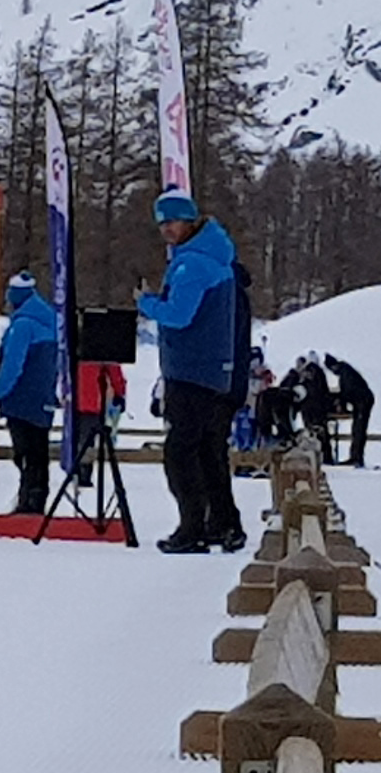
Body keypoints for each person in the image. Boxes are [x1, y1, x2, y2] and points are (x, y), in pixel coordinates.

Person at [136, 191, 249, 554]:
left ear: (188, 221)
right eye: (161, 223)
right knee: (208, 451)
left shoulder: (191, 265)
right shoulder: (215, 258)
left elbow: (179, 315)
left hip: (190, 370)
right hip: (214, 371)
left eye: (171, 221)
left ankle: (192, 528)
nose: (166, 229)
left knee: (181, 452)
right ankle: (223, 523)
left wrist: (147, 303)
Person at [0, 270, 61, 515]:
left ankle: (27, 504)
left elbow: (13, 364)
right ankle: (36, 500)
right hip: (42, 399)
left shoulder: (22, 325)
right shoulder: (50, 321)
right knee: (38, 453)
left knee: (24, 454)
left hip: (21, 399)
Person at [67, 355, 127, 485]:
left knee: (75, 437)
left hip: (73, 399)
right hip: (91, 400)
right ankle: (84, 472)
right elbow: (113, 368)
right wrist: (119, 392)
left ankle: (75, 469)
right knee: (87, 439)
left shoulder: (71, 341)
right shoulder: (101, 345)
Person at [331, 354, 374, 468]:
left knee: (359, 430)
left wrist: (341, 404)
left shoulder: (345, 375)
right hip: (360, 402)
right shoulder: (346, 371)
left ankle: (357, 457)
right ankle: (355, 456)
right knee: (356, 430)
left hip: (363, 402)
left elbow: (346, 392)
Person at [291, 354, 338, 457]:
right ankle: (326, 455)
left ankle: (316, 455)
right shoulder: (319, 373)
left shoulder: (307, 373)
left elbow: (304, 390)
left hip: (308, 408)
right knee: (321, 433)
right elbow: (323, 391)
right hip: (319, 408)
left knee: (311, 433)